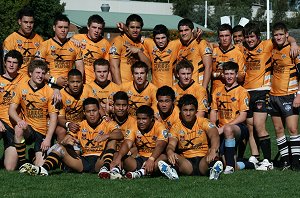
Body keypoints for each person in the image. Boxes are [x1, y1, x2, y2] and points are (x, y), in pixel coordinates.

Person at [242, 22, 298, 170]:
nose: (250, 40)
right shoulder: (243, 48)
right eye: (247, 37)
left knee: (266, 126)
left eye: (252, 36)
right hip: (255, 92)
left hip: (268, 91)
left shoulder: (268, 45)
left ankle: (274, 161)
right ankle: (261, 157)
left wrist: (294, 43)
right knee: (255, 126)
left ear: (258, 36)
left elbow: (286, 38)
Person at [18, 97, 123, 176]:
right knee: (60, 148)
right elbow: (65, 140)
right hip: (83, 160)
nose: (92, 114)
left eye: (94, 111)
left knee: (112, 139)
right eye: (88, 111)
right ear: (84, 113)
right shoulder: (80, 125)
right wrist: (66, 141)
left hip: (101, 159)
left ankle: (105, 169)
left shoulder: (108, 123)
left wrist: (106, 136)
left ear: (99, 111)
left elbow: (120, 134)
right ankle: (43, 169)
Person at [159, 94, 223, 180]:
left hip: (203, 159)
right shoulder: (175, 127)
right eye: (185, 110)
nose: (188, 113)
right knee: (172, 155)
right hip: (186, 162)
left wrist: (213, 149)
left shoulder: (204, 122)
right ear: (180, 112)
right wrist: (170, 151)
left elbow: (214, 135)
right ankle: (172, 171)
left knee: (212, 155)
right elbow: (171, 144)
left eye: (191, 110)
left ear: (196, 111)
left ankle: (213, 170)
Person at [9, 60, 57, 167]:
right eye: (37, 73)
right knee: (19, 128)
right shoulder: (21, 87)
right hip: (28, 129)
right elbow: (11, 109)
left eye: (43, 73)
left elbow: (54, 118)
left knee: (40, 166)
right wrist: (19, 121)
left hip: (42, 132)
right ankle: (22, 163)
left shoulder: (49, 91)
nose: (40, 76)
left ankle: (33, 155)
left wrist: (48, 139)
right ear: (30, 73)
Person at [269, 22, 300, 170]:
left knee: (293, 129)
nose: (278, 37)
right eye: (276, 35)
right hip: (274, 95)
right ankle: (286, 161)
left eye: (281, 34)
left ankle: (296, 161)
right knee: (278, 129)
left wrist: (299, 95)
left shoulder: (294, 50)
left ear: (287, 34)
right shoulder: (273, 48)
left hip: (290, 95)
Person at [210, 61, 250, 174]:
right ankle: (249, 164)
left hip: (239, 128)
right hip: (221, 128)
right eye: (226, 74)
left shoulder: (242, 92)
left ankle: (230, 167)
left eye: (231, 74)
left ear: (237, 74)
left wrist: (223, 128)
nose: (229, 77)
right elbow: (213, 111)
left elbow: (243, 116)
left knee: (228, 129)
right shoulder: (217, 91)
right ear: (223, 75)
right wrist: (213, 127)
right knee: (223, 163)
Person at [110, 105, 168, 179]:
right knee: (118, 154)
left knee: (164, 157)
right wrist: (119, 158)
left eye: (144, 119)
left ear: (151, 118)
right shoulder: (134, 126)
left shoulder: (160, 127)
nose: (141, 122)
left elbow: (160, 145)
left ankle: (141, 172)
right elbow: (127, 143)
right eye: (138, 119)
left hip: (155, 158)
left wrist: (151, 159)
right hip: (140, 158)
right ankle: (116, 170)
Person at [35, 14, 84, 88]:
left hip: (68, 88)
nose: (63, 30)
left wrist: (74, 83)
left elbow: (80, 70)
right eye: (60, 27)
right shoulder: (45, 45)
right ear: (54, 28)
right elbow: (37, 69)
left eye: (66, 27)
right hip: (49, 87)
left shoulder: (75, 45)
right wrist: (55, 80)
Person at [0, 50, 29, 170]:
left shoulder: (25, 79)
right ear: (4, 63)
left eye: (15, 63)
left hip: (16, 126)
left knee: (10, 168)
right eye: (9, 62)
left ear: (20, 65)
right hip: (1, 122)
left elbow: (41, 81)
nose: (11, 65)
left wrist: (56, 90)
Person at [55, 69, 96, 142]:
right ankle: (60, 150)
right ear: (67, 82)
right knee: (61, 131)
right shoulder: (62, 95)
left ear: (82, 82)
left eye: (78, 82)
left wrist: (104, 116)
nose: (75, 85)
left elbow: (96, 105)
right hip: (66, 124)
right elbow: (59, 118)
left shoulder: (87, 89)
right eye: (72, 82)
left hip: (82, 124)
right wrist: (68, 124)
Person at [109, 14, 150, 85]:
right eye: (132, 27)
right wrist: (120, 87)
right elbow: (114, 67)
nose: (135, 30)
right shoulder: (119, 41)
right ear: (127, 28)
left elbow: (148, 66)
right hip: (123, 86)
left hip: (138, 88)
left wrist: (139, 52)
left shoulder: (142, 43)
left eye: (138, 27)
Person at [3, 6, 43, 75]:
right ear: (19, 21)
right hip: (16, 79)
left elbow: (41, 64)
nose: (28, 25)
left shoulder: (39, 40)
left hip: (33, 80)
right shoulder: (10, 40)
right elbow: (6, 65)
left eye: (31, 22)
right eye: (25, 22)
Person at [72, 14, 110, 84]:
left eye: (99, 28)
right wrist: (71, 40)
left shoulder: (106, 44)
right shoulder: (77, 38)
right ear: (88, 26)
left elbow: (108, 68)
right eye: (94, 27)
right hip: (80, 83)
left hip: (97, 84)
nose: (96, 31)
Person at [109, 91, 139, 179]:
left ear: (128, 107)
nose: (121, 108)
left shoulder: (134, 122)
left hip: (128, 154)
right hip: (112, 154)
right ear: (113, 106)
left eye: (124, 105)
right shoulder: (108, 121)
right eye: (118, 105)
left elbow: (137, 146)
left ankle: (118, 168)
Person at [176, 18, 212, 89]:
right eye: (181, 31)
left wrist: (203, 89)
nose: (183, 33)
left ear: (192, 30)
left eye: (186, 30)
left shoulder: (201, 43)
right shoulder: (179, 47)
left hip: (198, 88)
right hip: (184, 89)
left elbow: (209, 67)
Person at [211, 24, 245, 92]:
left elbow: (241, 77)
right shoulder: (213, 51)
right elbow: (209, 73)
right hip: (215, 93)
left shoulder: (238, 53)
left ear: (231, 36)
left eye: (227, 35)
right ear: (218, 37)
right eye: (221, 36)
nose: (224, 39)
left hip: (233, 93)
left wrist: (221, 74)